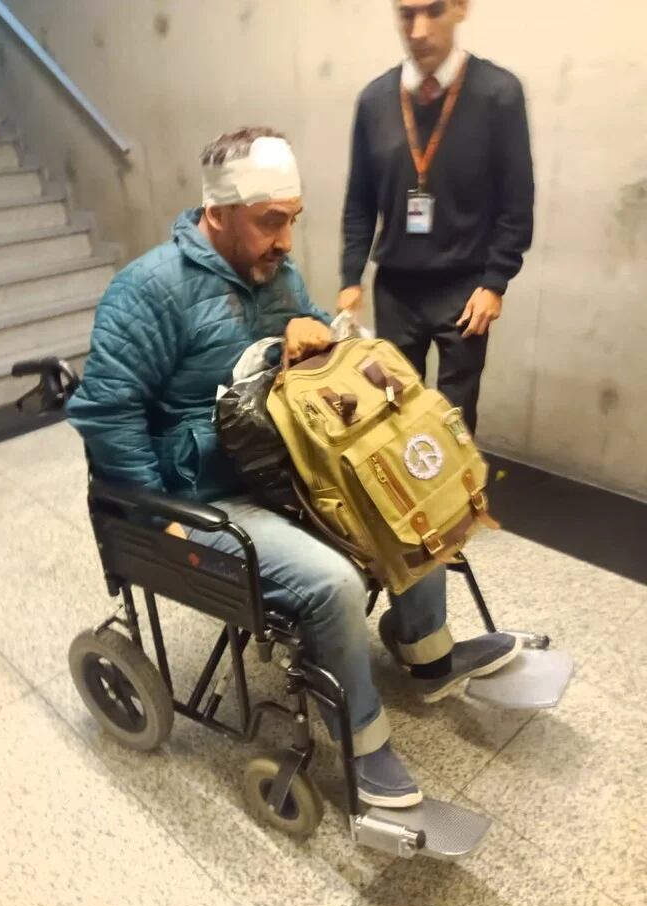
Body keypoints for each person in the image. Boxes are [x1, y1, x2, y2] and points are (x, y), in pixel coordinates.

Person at [68, 126, 521, 809]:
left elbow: (308, 344)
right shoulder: (149, 291)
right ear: (218, 213)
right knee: (334, 582)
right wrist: (160, 520)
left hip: (283, 472)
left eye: (292, 221)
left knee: (403, 494)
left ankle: (426, 649)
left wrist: (314, 336)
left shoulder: (275, 275)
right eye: (270, 222)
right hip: (208, 495)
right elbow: (107, 413)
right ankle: (363, 743)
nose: (285, 239)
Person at [338, 0, 535, 433]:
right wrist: (351, 279)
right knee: (391, 412)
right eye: (407, 14)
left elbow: (516, 202)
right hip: (395, 287)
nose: (419, 30)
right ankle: (401, 500)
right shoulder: (375, 101)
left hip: (464, 290)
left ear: (461, 9)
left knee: (453, 419)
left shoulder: (498, 94)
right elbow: (359, 201)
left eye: (433, 11)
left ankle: (454, 500)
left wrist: (495, 283)